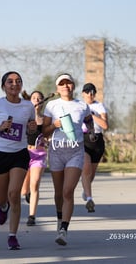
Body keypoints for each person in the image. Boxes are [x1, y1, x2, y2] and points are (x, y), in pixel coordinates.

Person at [0, 71, 37, 250]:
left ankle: (12, 236)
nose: (14, 84)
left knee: (14, 194)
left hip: (19, 154)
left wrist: (32, 128)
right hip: (0, 154)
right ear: (4, 85)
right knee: (1, 198)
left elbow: (31, 131)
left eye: (18, 81)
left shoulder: (28, 106)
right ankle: (3, 207)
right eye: (10, 81)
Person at [42, 73, 95, 246]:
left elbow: (88, 121)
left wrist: (92, 132)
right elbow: (44, 131)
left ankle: (64, 229)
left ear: (73, 86)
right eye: (62, 84)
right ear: (57, 88)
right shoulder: (52, 105)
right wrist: (54, 125)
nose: (65, 86)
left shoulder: (81, 105)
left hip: (75, 151)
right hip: (56, 151)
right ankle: (60, 218)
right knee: (58, 193)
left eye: (68, 83)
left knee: (67, 191)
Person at [20, 90, 48, 226]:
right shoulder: (25, 117)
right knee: (24, 189)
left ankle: (32, 216)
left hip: (39, 155)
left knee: (35, 183)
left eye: (39, 98)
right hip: (25, 153)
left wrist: (47, 140)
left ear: (42, 102)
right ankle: (27, 193)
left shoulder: (45, 119)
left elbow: (50, 134)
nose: (36, 100)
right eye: (33, 98)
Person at [81, 83, 109, 213]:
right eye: (87, 92)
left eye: (92, 92)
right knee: (86, 170)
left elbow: (105, 125)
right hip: (83, 140)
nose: (90, 94)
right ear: (83, 94)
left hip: (97, 141)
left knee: (91, 173)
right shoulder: (79, 106)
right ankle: (90, 199)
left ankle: (86, 190)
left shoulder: (99, 106)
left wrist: (92, 115)